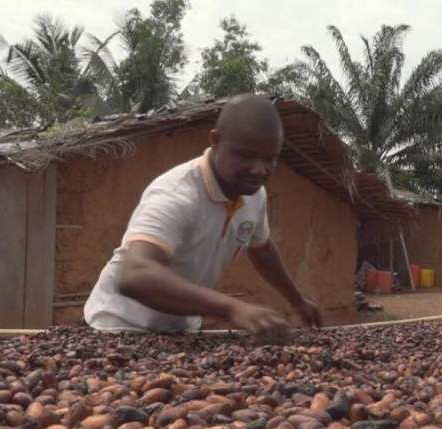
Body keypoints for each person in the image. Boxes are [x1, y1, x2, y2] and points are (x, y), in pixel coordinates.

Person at [84, 94, 322, 338]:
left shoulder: (254, 195)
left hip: (181, 331)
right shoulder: (176, 194)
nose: (260, 169)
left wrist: (296, 299)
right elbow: (134, 275)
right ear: (216, 140)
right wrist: (232, 308)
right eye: (246, 156)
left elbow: (261, 249)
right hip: (119, 327)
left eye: (270, 158)